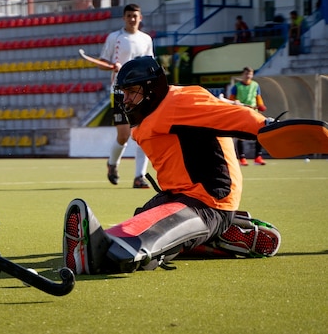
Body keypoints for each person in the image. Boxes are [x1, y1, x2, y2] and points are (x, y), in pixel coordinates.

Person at [63, 57, 282, 275]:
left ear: (150, 89)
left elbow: (231, 114)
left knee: (136, 241)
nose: (126, 99)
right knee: (144, 216)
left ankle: (101, 254)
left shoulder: (181, 101)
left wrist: (268, 126)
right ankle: (211, 239)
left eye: (132, 91)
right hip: (178, 194)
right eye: (124, 92)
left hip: (209, 200)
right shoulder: (151, 114)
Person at [99, 3, 152, 188]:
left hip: (140, 93)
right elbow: (101, 63)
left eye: (135, 16)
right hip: (119, 91)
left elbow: (149, 64)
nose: (132, 19)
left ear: (140, 17)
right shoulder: (115, 37)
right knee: (123, 135)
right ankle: (112, 164)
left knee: (143, 134)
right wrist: (113, 67)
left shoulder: (146, 39)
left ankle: (140, 176)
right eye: (129, 16)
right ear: (124, 17)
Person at [228, 67, 267, 166]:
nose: (248, 76)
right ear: (243, 75)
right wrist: (234, 103)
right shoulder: (236, 86)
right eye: (246, 74)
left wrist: (261, 105)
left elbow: (258, 97)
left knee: (259, 133)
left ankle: (258, 157)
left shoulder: (255, 85)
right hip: (242, 112)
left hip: (254, 112)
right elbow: (231, 99)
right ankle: (242, 158)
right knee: (240, 135)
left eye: (250, 74)